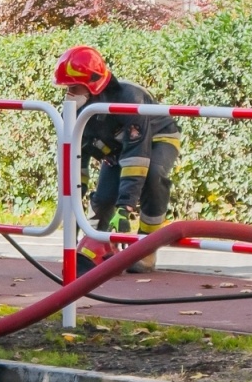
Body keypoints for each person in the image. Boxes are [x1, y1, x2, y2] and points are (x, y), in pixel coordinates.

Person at [52, 44, 181, 273]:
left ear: (91, 85)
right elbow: (75, 164)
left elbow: (136, 157)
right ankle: (97, 248)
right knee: (102, 199)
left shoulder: (128, 99)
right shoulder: (75, 113)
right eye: (66, 88)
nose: (68, 94)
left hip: (157, 138)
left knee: (153, 175)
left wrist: (125, 207)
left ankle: (146, 247)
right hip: (118, 149)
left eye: (74, 88)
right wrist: (72, 209)